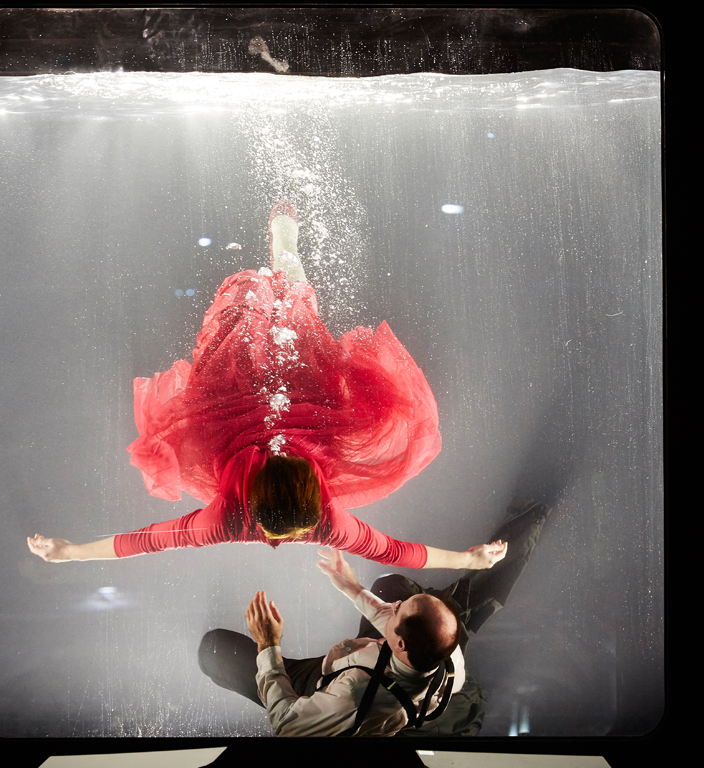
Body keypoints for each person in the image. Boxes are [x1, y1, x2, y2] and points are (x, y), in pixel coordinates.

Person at [27, 201, 506, 570]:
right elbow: (395, 552)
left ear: (253, 493)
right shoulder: (328, 522)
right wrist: (467, 560)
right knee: (299, 313)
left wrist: (71, 552)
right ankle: (286, 253)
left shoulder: (225, 520)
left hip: (230, 418)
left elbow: (150, 540)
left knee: (245, 324)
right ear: (317, 488)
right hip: (310, 413)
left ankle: (274, 276)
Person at [198, 498, 550, 738]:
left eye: (400, 611)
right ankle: (525, 523)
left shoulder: (352, 695)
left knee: (214, 650)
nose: (393, 608)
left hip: (336, 694)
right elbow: (392, 617)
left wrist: (268, 645)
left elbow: (288, 725)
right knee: (390, 585)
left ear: (399, 645)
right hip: (393, 675)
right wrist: (351, 588)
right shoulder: (447, 656)